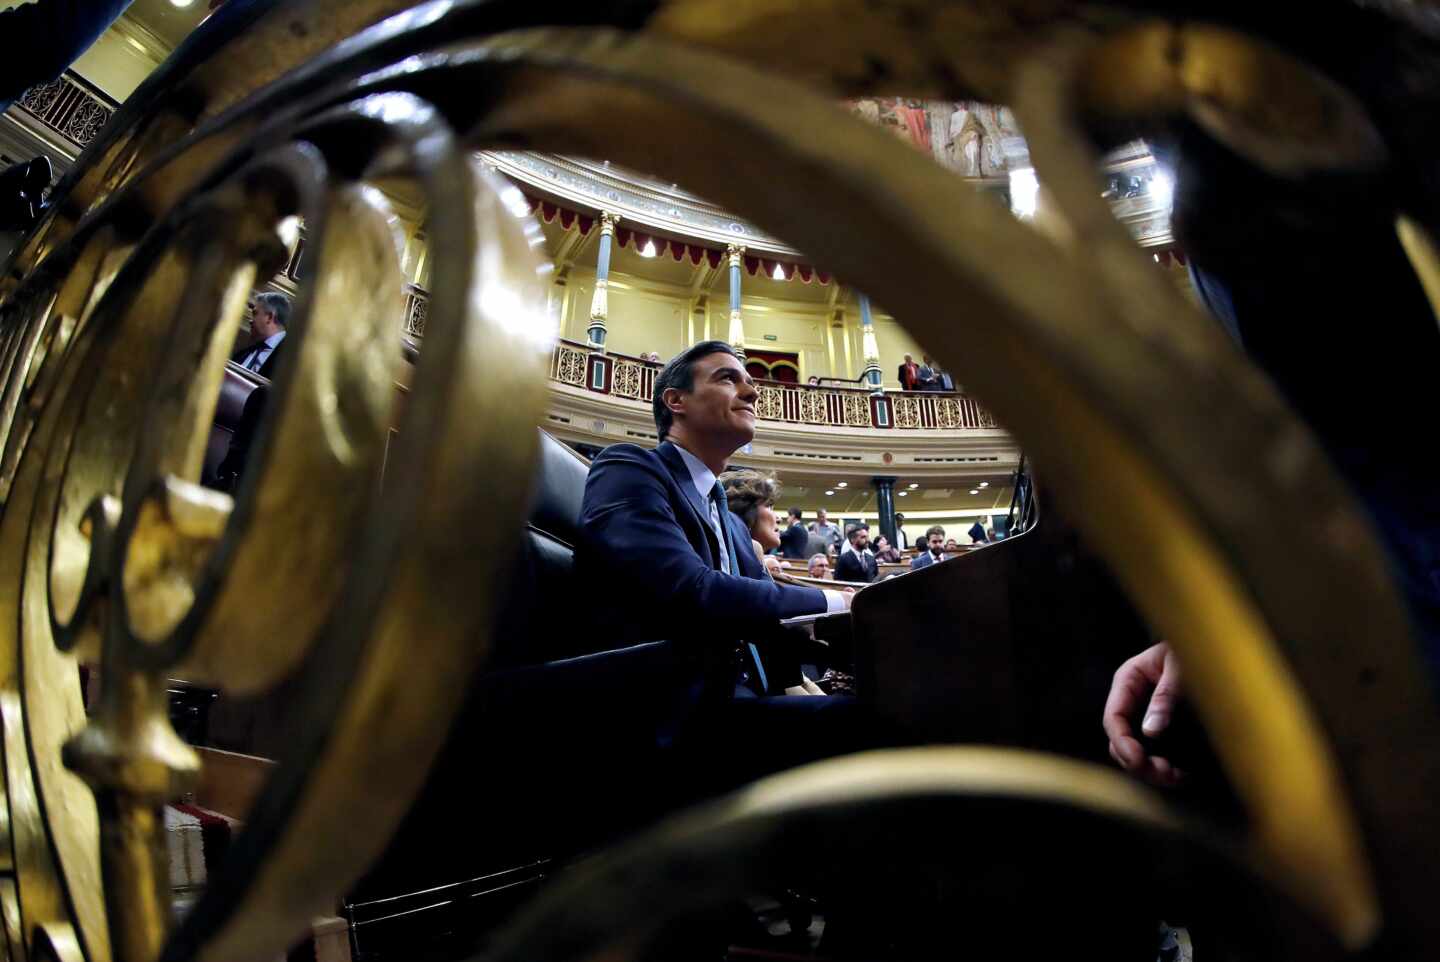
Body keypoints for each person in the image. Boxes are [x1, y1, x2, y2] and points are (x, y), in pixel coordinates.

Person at [576, 340, 853, 703]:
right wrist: (837, 600)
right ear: (677, 401)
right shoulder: (629, 469)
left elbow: (762, 622)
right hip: (662, 705)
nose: (752, 392)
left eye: (749, 381)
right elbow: (692, 591)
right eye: (727, 379)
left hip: (741, 695)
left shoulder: (732, 521)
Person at [232, 291, 290, 379]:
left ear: (269, 317)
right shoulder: (243, 353)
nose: (250, 320)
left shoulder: (291, 357)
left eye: (255, 313)